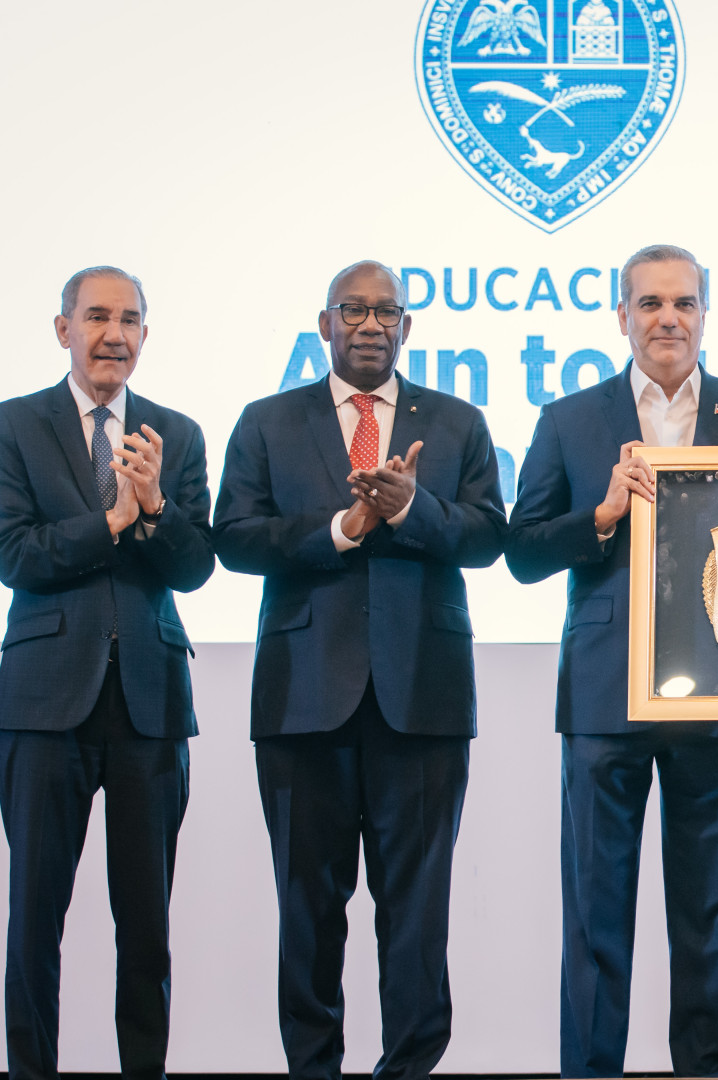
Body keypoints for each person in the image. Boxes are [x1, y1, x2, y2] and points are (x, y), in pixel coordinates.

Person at [211, 260, 506, 1080]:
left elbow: (491, 537)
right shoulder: (268, 421)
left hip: (424, 697)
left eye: (386, 312)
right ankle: (314, 1068)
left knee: (417, 911)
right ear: (325, 325)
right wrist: (341, 528)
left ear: (406, 328)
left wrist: (412, 508)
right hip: (303, 699)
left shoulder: (457, 422)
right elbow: (233, 537)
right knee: (308, 909)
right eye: (353, 310)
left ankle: (408, 1068)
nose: (370, 324)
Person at [504, 244, 718, 1078]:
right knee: (596, 914)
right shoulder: (569, 419)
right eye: (652, 303)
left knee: (711, 911)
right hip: (604, 697)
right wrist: (598, 517)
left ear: (705, 313)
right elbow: (522, 551)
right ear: (621, 314)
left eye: (684, 303)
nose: (669, 318)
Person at [0, 266, 214, 1080]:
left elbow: (195, 567)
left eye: (131, 320)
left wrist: (155, 509)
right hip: (45, 703)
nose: (115, 334)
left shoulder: (176, 434)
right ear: (64, 329)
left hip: (151, 704)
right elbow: (13, 555)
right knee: (34, 919)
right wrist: (110, 519)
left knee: (146, 926)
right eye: (98, 317)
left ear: (145, 334)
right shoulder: (14, 424)